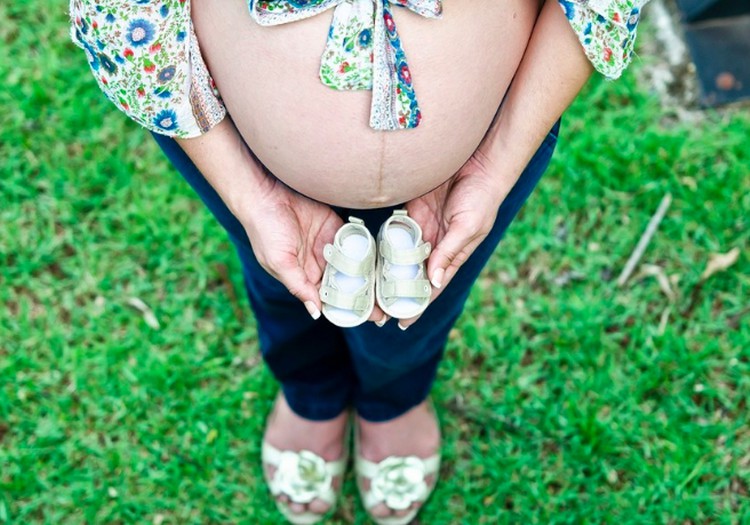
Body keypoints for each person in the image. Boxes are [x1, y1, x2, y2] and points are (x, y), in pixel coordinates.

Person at [69, 0, 648, 522]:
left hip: (495, 136)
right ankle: (309, 394)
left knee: (427, 297)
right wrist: (251, 196)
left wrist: (496, 164)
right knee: (279, 279)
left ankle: (393, 402)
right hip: (227, 130)